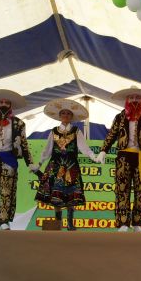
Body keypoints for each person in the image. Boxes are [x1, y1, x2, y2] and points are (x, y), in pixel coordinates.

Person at [95, 86, 141, 232]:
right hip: (124, 156)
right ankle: (123, 223)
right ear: (127, 100)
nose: (135, 100)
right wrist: (103, 150)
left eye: (137, 97)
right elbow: (111, 135)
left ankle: (137, 223)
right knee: (122, 190)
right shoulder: (120, 117)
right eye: (132, 97)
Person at [34, 98, 97, 231]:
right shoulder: (53, 131)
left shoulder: (76, 131)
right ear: (59, 116)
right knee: (56, 195)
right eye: (63, 113)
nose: (66, 116)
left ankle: (70, 223)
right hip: (55, 166)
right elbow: (47, 149)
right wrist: (39, 164)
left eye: (68, 114)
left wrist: (93, 156)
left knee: (71, 195)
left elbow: (84, 147)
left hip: (71, 166)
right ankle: (58, 223)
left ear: (72, 117)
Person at [0, 89, 37, 230]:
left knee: (7, 191)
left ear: (11, 105)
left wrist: (30, 163)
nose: (3, 104)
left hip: (9, 159)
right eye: (1, 102)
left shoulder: (19, 123)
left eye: (6, 102)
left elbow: (24, 144)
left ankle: (5, 220)